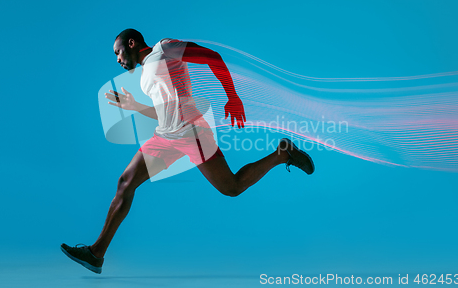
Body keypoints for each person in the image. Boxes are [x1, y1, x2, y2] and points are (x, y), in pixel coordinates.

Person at [60, 29, 315, 274]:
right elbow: (165, 113)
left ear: (131, 44)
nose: (117, 59)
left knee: (232, 188)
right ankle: (96, 254)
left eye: (117, 52)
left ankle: (282, 153)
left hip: (192, 133)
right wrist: (135, 105)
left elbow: (213, 57)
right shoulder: (145, 75)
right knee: (125, 183)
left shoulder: (165, 48)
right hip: (165, 136)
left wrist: (232, 96)